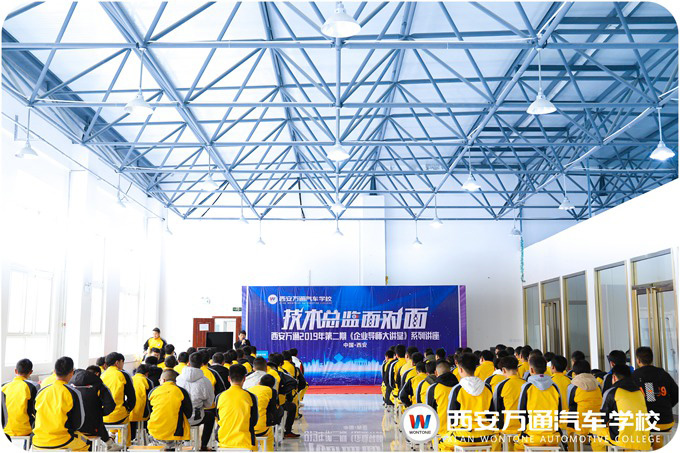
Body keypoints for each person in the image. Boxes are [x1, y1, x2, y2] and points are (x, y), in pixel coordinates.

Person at [440, 353, 495, 450]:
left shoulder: (457, 389)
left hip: (463, 436)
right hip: (486, 435)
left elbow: (452, 418)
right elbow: (492, 415)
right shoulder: (487, 388)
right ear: (475, 368)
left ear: (460, 369)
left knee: (442, 442)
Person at [32, 357, 88, 451]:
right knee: (86, 442)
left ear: (54, 371)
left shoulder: (42, 391)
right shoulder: (72, 392)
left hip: (38, 441)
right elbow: (79, 423)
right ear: (72, 372)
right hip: (61, 441)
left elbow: (35, 413)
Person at [592, 364, 651, 451]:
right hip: (643, 437)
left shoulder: (612, 392)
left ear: (614, 377)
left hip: (621, 438)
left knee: (594, 436)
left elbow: (603, 418)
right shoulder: (639, 392)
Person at [632, 346, 678, 448]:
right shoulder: (663, 373)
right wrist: (666, 406)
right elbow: (676, 393)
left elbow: (649, 399)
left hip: (647, 424)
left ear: (638, 360)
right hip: (667, 422)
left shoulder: (635, 375)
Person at [516, 355, 562, 449]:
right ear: (545, 369)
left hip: (533, 437)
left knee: (517, 446)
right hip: (552, 437)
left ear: (531, 370)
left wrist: (525, 430)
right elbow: (560, 411)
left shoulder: (527, 387)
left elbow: (521, 412)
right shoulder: (554, 387)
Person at [68, 366, 118, 450]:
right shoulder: (100, 385)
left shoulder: (68, 385)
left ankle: (107, 442)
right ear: (97, 374)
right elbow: (110, 405)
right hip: (93, 428)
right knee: (95, 420)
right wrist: (99, 413)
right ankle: (109, 442)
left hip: (72, 428)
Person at [176, 352, 215, 451]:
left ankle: (181, 443)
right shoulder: (206, 381)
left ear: (188, 363)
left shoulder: (178, 379)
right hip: (196, 418)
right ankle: (203, 446)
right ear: (202, 364)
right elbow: (209, 404)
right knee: (210, 416)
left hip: (179, 418)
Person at [215, 364, 258, 451]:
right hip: (245, 441)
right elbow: (254, 420)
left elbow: (218, 417)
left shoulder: (219, 396)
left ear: (228, 379)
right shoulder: (251, 397)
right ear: (244, 379)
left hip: (223, 440)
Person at [147, 369, 192, 450]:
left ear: (163, 380)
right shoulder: (181, 391)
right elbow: (189, 413)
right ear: (175, 381)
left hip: (154, 431)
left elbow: (149, 411)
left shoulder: (153, 391)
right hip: (176, 433)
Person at [566, 360, 603, 451]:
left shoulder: (573, 386)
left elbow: (569, 404)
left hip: (580, 424)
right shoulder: (598, 385)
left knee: (570, 418)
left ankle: (574, 449)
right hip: (597, 422)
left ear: (574, 373)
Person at [101, 352, 136, 447]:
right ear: (117, 362)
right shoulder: (123, 375)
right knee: (125, 417)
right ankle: (125, 446)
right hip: (118, 416)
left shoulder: (101, 376)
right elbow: (132, 397)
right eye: (122, 362)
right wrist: (128, 409)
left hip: (103, 417)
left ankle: (111, 438)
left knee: (116, 415)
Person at [491, 356, 525, 452]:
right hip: (524, 427)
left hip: (507, 426)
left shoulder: (501, 385)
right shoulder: (526, 384)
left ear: (503, 370)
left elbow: (496, 408)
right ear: (517, 369)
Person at [2, 358, 39, 438]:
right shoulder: (32, 386)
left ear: (15, 371)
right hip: (25, 430)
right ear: (31, 372)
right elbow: (37, 410)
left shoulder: (3, 386)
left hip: (5, 430)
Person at [426, 360, 459, 440]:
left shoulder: (434, 388)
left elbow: (429, 411)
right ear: (450, 371)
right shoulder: (460, 387)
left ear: (436, 373)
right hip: (459, 432)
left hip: (440, 432)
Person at [248, 374, 280, 451]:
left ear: (259, 382)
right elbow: (273, 409)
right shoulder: (272, 391)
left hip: (246, 427)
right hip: (261, 428)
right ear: (272, 385)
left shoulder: (249, 389)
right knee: (269, 435)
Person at [129, 364, 154, 444]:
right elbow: (151, 397)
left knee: (131, 427)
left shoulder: (130, 379)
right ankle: (146, 441)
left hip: (129, 411)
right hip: (143, 412)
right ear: (146, 373)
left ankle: (131, 440)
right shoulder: (148, 381)